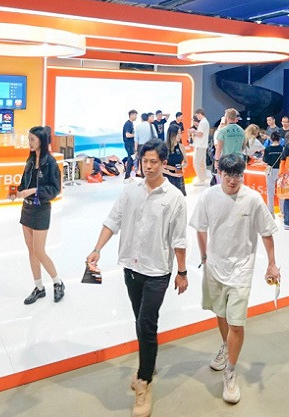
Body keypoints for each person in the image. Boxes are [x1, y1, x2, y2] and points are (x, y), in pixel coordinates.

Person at [86, 139, 188, 417]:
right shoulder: (130, 191)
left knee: (146, 323)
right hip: (131, 269)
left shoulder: (174, 198)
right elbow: (112, 221)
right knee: (140, 321)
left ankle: (144, 382)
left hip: (157, 272)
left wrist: (182, 272)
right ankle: (148, 363)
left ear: (164, 163)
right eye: (145, 161)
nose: (149, 166)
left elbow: (179, 240)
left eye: (154, 162)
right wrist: (97, 249)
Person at [190, 154, 279, 405]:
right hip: (215, 267)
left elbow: (267, 233)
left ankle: (230, 370)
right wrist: (204, 256)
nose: (233, 180)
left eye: (238, 175)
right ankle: (225, 346)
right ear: (219, 173)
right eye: (228, 175)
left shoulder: (252, 199)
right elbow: (200, 228)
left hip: (241, 269)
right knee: (220, 312)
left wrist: (271, 263)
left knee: (236, 323)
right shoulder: (208, 197)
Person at [13, 126, 64, 305]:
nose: (30, 143)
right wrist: (17, 192)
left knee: (39, 251)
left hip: (41, 209)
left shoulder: (50, 162)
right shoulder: (29, 160)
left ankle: (58, 282)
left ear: (41, 140)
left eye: (32, 139)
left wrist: (34, 191)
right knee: (31, 251)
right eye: (29, 139)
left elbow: (55, 189)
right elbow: (23, 183)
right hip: (26, 210)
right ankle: (39, 287)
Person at [214, 108, 245, 174]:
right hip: (239, 159)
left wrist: (216, 161)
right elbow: (243, 146)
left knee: (227, 178)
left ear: (227, 118)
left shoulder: (222, 131)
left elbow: (219, 148)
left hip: (227, 161)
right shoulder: (242, 130)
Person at [263, 131, 283, 213]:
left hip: (270, 171)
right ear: (280, 139)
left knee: (270, 192)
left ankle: (271, 211)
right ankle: (282, 211)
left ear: (271, 139)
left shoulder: (268, 149)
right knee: (281, 191)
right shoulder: (283, 149)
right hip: (281, 170)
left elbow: (265, 160)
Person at [164, 124, 187, 196]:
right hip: (167, 176)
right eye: (178, 134)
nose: (180, 136)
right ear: (172, 135)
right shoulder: (164, 148)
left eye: (180, 133)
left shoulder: (181, 147)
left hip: (179, 176)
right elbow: (161, 166)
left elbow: (186, 162)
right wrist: (173, 169)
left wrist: (182, 166)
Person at [191, 108, 210, 185]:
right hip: (203, 145)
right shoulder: (205, 122)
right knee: (202, 162)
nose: (196, 117)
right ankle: (203, 177)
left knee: (196, 162)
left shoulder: (203, 122)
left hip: (200, 145)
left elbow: (200, 134)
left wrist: (193, 131)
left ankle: (200, 178)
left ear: (199, 114)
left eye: (196, 115)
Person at [123, 109, 138, 181]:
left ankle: (127, 176)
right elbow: (127, 135)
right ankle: (127, 177)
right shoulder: (128, 124)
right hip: (129, 145)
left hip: (131, 144)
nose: (136, 117)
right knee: (130, 159)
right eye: (135, 115)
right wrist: (136, 135)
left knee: (131, 160)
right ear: (131, 115)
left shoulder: (131, 124)